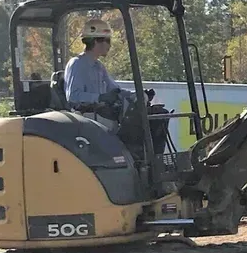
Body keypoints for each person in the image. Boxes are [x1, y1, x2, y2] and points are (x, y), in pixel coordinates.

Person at [63, 18, 170, 155]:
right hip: (86, 116)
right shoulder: (77, 64)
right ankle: (134, 159)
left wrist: (137, 94)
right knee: (131, 127)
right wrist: (100, 97)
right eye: (107, 41)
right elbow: (73, 96)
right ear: (96, 41)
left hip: (101, 113)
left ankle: (150, 160)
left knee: (156, 117)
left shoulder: (98, 67)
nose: (110, 45)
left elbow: (115, 90)